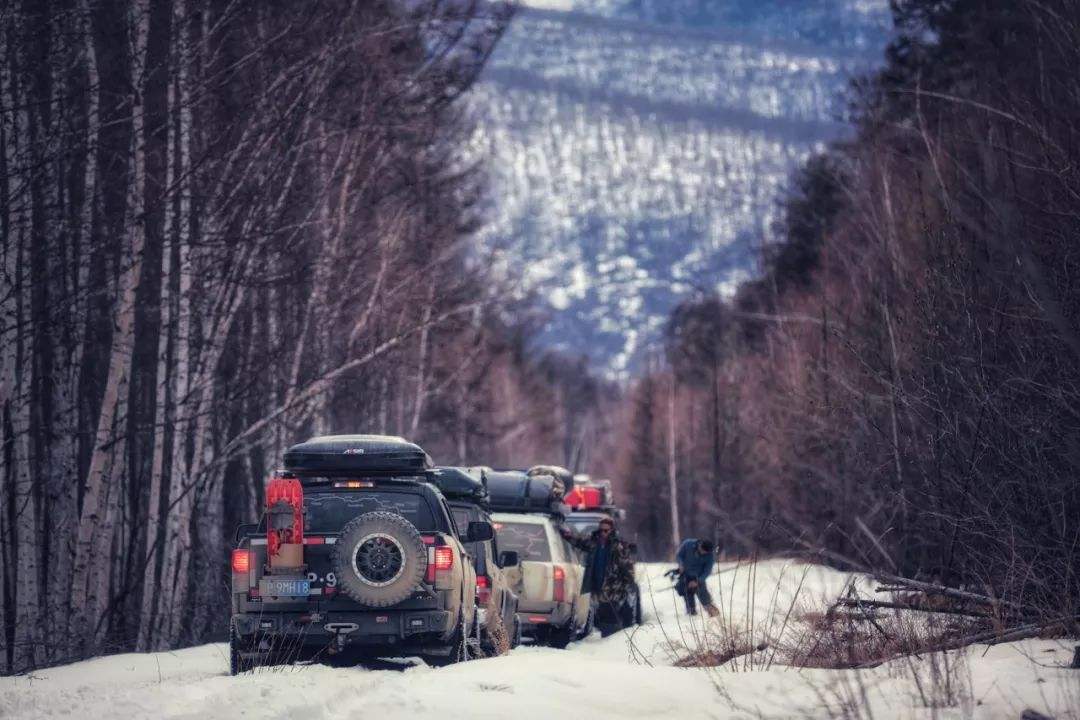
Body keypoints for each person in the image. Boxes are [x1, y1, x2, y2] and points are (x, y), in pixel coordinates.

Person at [560, 516, 635, 637]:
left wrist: (627, 584)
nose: (603, 533)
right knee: (598, 615)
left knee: (610, 617)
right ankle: (605, 637)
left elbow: (627, 567)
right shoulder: (593, 542)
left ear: (612, 531)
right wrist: (567, 535)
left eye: (606, 530)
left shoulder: (618, 546)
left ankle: (610, 640)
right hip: (596, 585)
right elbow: (579, 542)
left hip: (612, 588)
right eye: (601, 530)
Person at [676, 537, 718, 617]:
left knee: (705, 598)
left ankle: (714, 614)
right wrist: (680, 564)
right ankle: (691, 612)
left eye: (705, 552)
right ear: (700, 545)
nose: (703, 553)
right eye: (702, 550)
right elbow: (679, 555)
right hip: (685, 574)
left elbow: (707, 571)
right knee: (686, 592)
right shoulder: (688, 544)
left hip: (698, 577)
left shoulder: (710, 556)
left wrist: (697, 581)